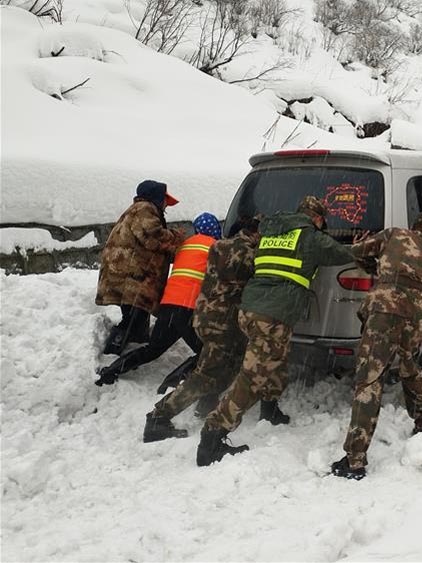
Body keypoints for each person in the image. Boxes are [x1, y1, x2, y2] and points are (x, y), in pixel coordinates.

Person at [196, 196, 356, 466]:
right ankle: (213, 436)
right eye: (322, 223)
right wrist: (364, 243)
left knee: (277, 358)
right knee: (252, 377)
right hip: (272, 315)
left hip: (252, 309)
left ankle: (270, 410)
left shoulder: (271, 230)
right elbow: (344, 253)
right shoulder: (311, 237)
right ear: (317, 219)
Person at [331, 212, 422, 481]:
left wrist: (371, 259)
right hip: (417, 314)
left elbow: (357, 251)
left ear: (414, 227)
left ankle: (355, 459)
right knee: (409, 366)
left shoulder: (394, 234)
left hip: (386, 308)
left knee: (370, 377)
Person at [143, 214, 260, 443]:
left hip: (207, 316)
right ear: (253, 233)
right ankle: (158, 417)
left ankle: (206, 406)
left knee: (226, 369)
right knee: (205, 375)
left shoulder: (219, 247)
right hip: (221, 323)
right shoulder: (246, 253)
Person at [95, 213, 221, 386]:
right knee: (209, 352)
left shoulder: (184, 245)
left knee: (153, 350)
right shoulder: (216, 248)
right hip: (189, 309)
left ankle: (111, 371)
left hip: (169, 306)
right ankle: (177, 379)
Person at [95, 180, 183, 356]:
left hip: (128, 275)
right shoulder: (145, 209)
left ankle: (137, 340)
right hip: (132, 277)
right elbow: (153, 236)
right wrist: (177, 237)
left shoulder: (138, 210)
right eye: (164, 199)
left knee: (137, 314)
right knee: (133, 317)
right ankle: (112, 354)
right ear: (156, 197)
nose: (166, 204)